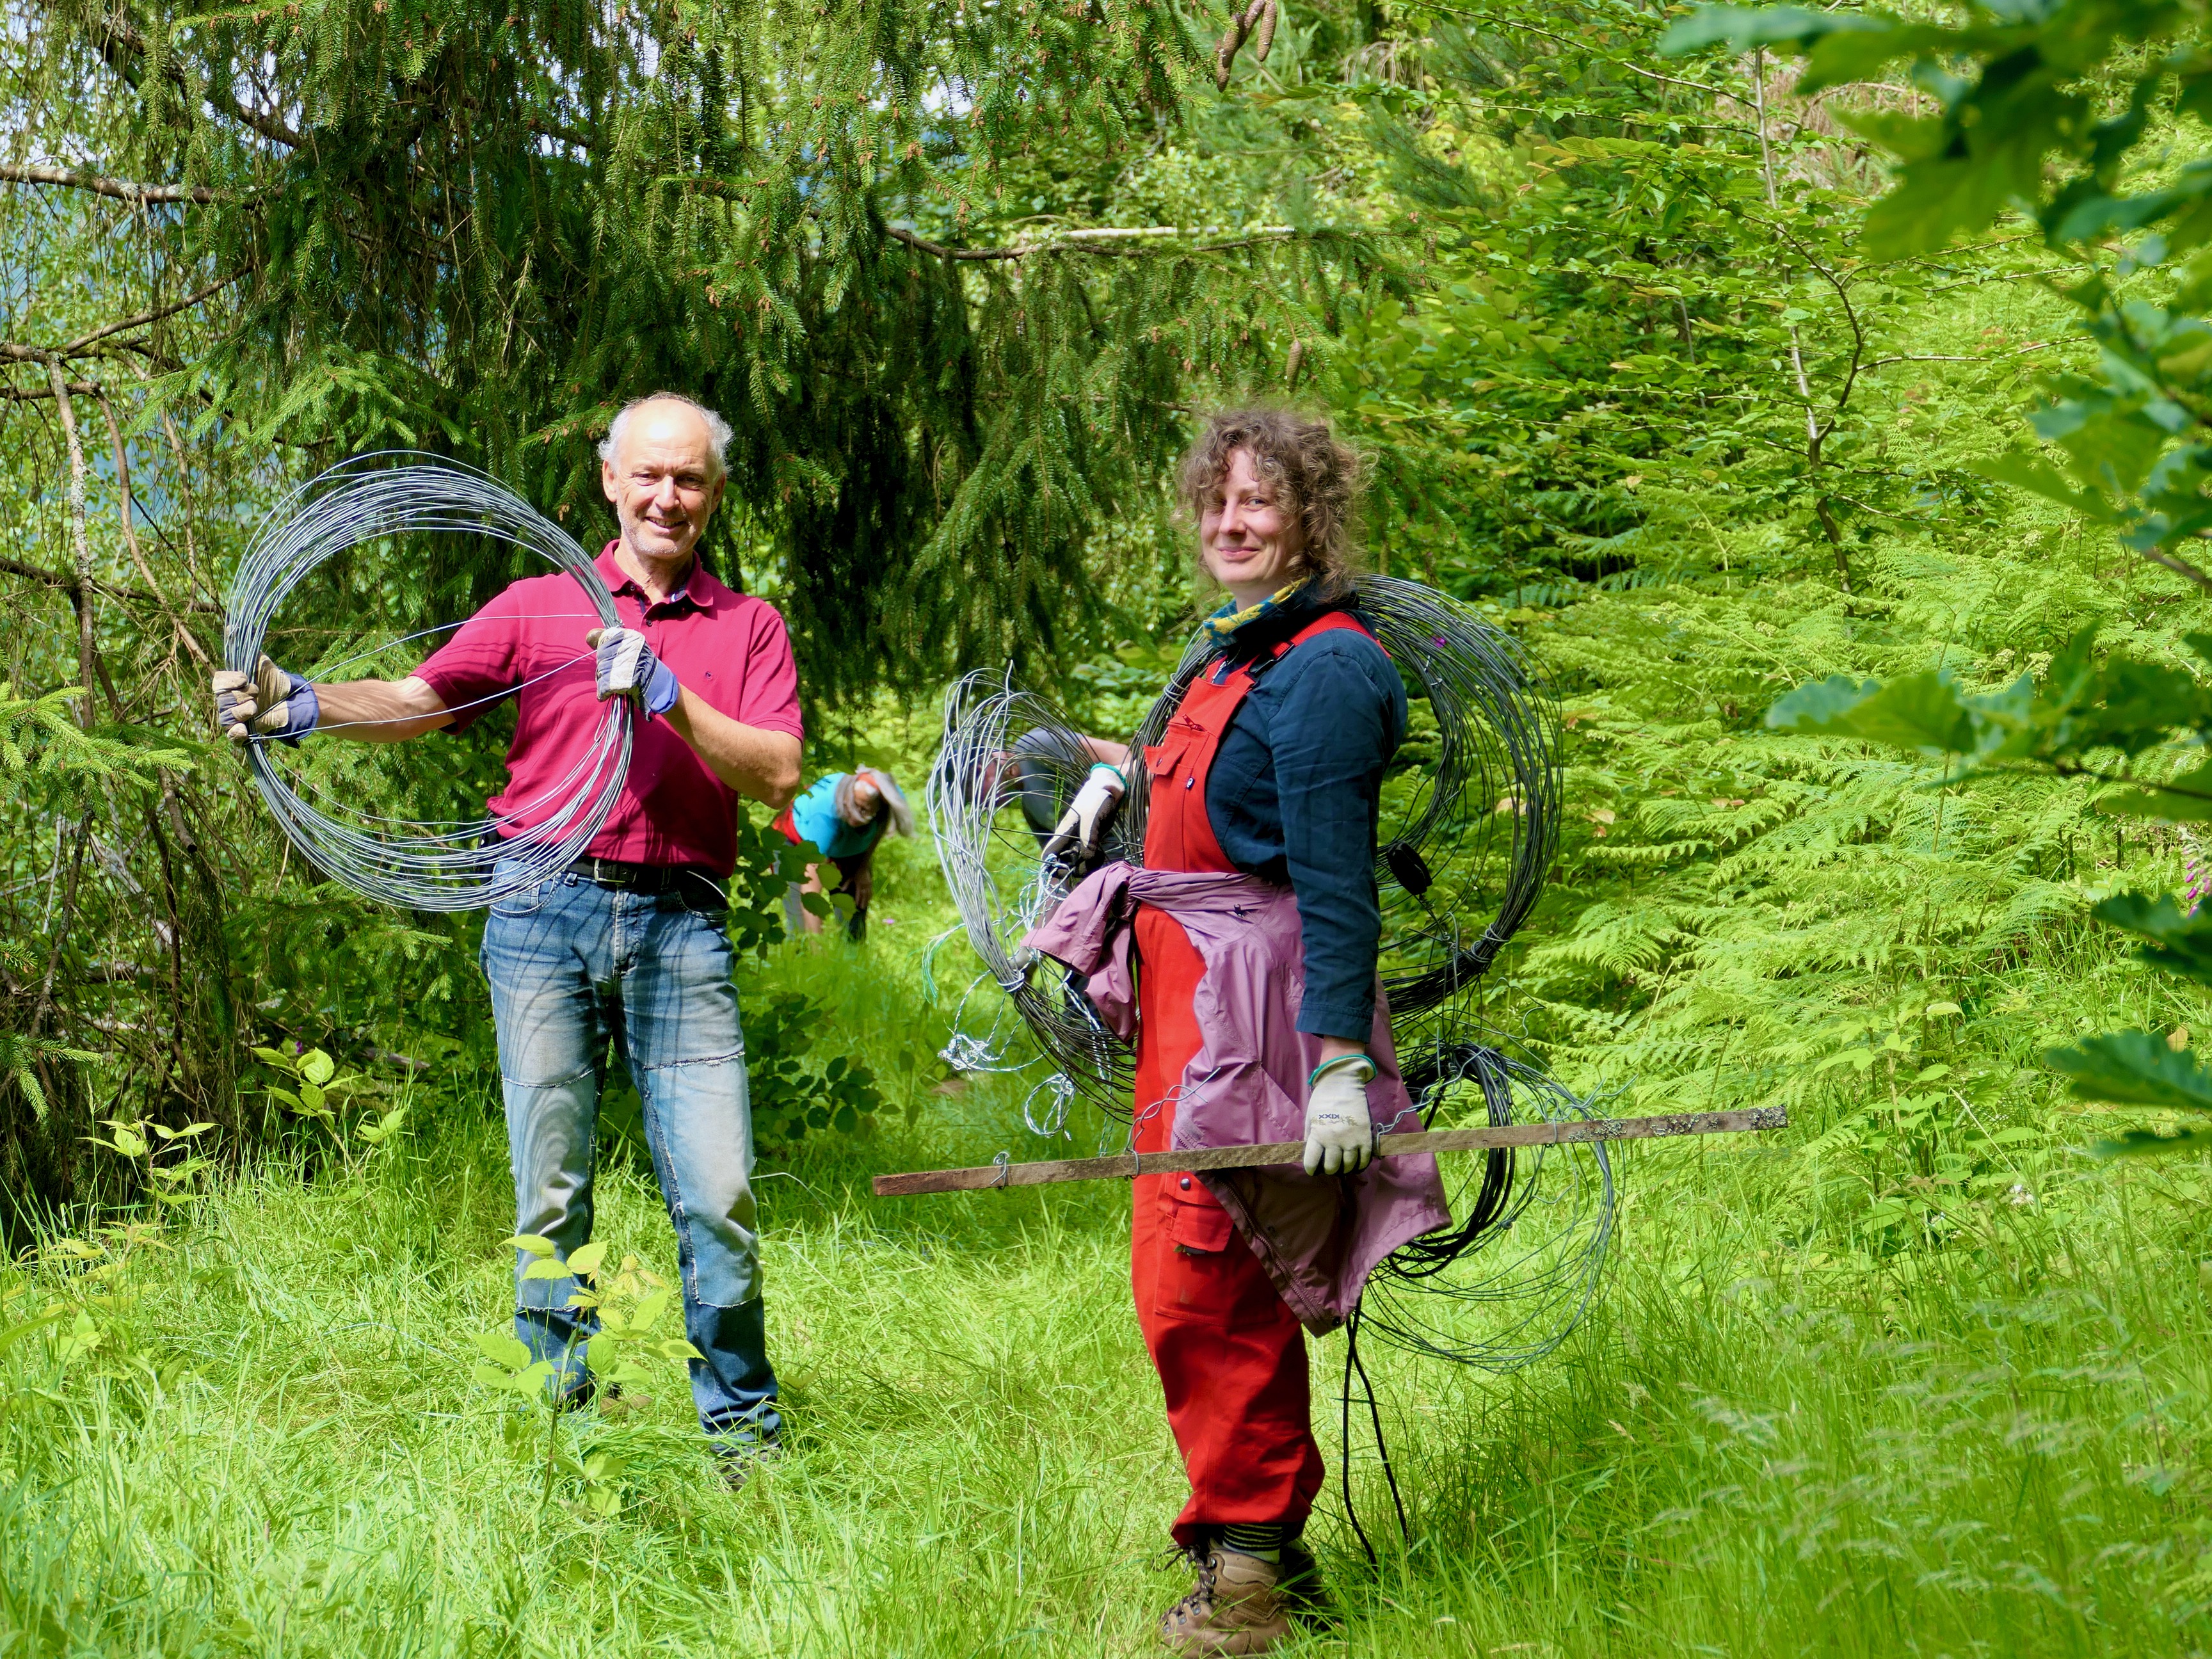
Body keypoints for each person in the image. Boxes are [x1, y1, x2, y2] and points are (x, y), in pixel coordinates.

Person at [211, 394, 803, 1480]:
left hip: (682, 925)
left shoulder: (747, 627)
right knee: (552, 1188)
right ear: (610, 480)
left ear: (715, 495)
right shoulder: (539, 605)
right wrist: (297, 705)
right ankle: (557, 1422)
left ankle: (746, 1440)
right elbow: (421, 697)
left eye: (691, 479)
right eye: (650, 475)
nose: (668, 495)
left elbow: (774, 773)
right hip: (540, 913)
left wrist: (669, 695)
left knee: (717, 1192)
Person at [1026, 408, 1451, 1655]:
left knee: (1214, 1285)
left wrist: (1334, 1074)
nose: (1231, 522)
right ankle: (1269, 1554)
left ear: (1313, 514)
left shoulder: (1325, 669)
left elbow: (1334, 887)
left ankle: (1251, 1580)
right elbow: (1208, 789)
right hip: (1193, 1008)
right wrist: (1120, 775)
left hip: (1261, 1023)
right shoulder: (1234, 656)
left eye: (1259, 502)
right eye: (1217, 501)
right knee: (1184, 1281)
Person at [772, 766, 914, 940]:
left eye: (865, 811)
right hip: (794, 845)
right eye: (853, 807)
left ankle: (852, 961)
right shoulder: (823, 810)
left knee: (854, 915)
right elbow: (810, 889)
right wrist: (818, 950)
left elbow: (877, 831)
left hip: (846, 850)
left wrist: (862, 869)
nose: (856, 817)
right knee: (800, 928)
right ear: (846, 797)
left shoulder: (888, 796)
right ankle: (805, 959)